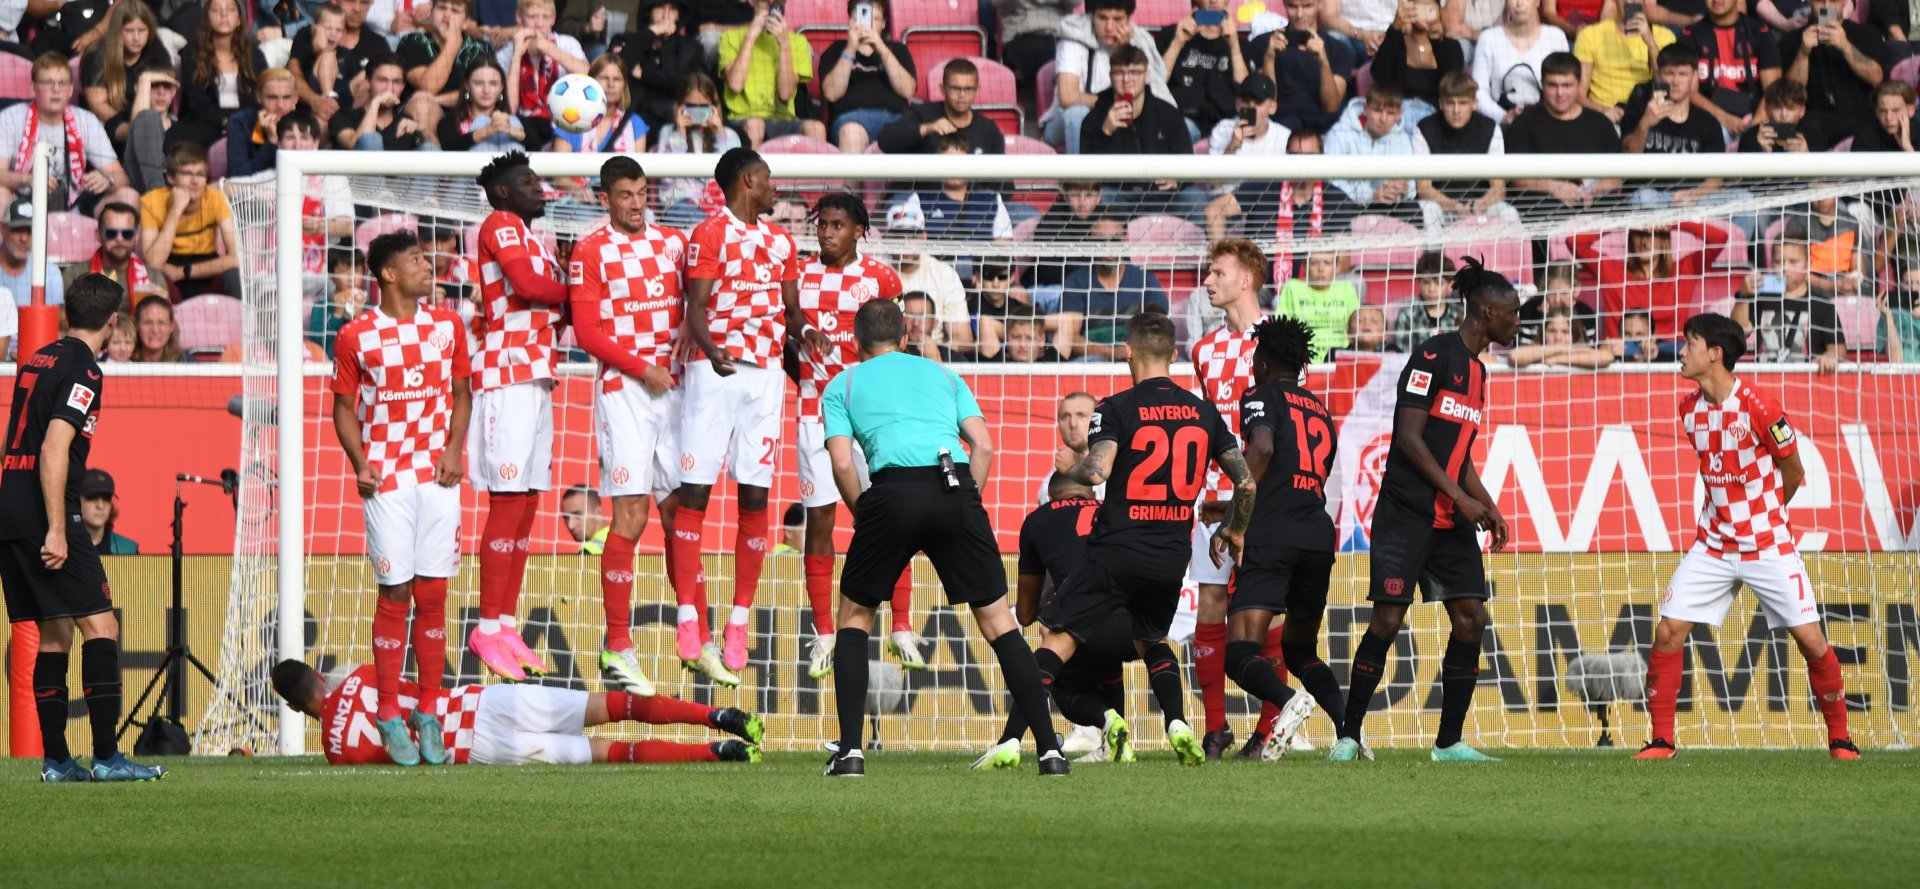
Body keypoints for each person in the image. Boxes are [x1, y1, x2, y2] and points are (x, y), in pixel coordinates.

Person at [820, 298, 1067, 777]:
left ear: (856, 342)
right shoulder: (943, 375)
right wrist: (968, 504)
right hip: (952, 486)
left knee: (855, 616)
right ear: (906, 338)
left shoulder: (842, 383)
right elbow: (985, 445)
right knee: (998, 622)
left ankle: (850, 752)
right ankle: (1050, 751)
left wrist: (865, 513)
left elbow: (843, 463)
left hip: (891, 494)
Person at [1635, 313, 1859, 761]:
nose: (1681, 352)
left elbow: (1793, 473)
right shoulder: (1687, 410)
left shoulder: (1761, 407)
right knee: (1667, 630)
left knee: (1812, 641)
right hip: (1713, 545)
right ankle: (1662, 740)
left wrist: (1765, 514)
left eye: (1690, 344)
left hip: (1768, 543)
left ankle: (1840, 739)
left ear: (1714, 354)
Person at [1043, 312, 1251, 766]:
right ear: (1174, 356)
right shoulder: (1203, 410)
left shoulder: (1115, 407)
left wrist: (1069, 469)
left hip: (1116, 550)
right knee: (1152, 640)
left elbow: (1097, 471)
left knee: (1055, 636)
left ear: (1127, 352)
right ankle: (1177, 721)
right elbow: (1247, 483)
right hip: (1170, 556)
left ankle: (1022, 740)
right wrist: (1236, 527)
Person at [1335, 257, 1520, 763]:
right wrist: (1461, 500)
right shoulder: (1431, 357)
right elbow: (1410, 439)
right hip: (1406, 512)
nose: (1517, 321)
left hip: (1450, 518)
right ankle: (1349, 735)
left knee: (1471, 619)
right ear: (1486, 311)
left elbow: (1457, 456)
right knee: (1387, 622)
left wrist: (1488, 505)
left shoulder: (1480, 373)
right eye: (1512, 312)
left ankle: (1448, 742)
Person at [2, 274, 166, 782]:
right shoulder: (85, 370)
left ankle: (55, 761)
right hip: (45, 506)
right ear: (114, 321)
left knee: (54, 633)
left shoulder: (40, 356)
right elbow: (53, 447)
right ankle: (107, 757)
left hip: (10, 503)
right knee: (101, 626)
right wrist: (57, 526)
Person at [677, 148, 828, 679]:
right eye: (766, 180)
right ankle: (688, 615)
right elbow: (693, 307)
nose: (774, 189)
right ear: (747, 181)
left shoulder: (781, 242)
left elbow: (790, 312)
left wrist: (805, 330)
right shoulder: (710, 235)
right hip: (712, 373)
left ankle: (738, 619)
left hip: (764, 378)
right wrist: (710, 348)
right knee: (695, 490)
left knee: (755, 495)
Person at [329, 231, 472, 766]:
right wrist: (360, 462)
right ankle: (389, 710)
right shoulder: (355, 337)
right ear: (387, 274)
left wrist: (455, 449)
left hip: (438, 477)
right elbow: (344, 408)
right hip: (387, 478)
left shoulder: (447, 324)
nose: (425, 265)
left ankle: (428, 710)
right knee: (396, 592)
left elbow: (462, 393)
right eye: (414, 259)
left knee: (433, 593)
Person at [568, 156, 692, 697]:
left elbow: (698, 303)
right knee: (632, 513)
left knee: (679, 509)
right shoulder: (591, 250)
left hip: (675, 389)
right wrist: (644, 369)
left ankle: (695, 630)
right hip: (627, 392)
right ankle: (618, 644)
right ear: (605, 199)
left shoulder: (673, 244)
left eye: (643, 192)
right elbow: (586, 330)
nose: (637, 203)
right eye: (625, 195)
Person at [791, 193, 920, 681]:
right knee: (820, 521)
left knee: (892, 514)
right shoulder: (799, 277)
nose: (826, 232)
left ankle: (902, 624)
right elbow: (787, 332)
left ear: (859, 230)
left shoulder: (881, 279)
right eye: (822, 224)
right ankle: (824, 634)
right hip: (815, 414)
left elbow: (896, 344)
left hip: (874, 417)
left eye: (838, 224)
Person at [1210, 316, 1348, 760]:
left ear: (1264, 363)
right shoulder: (1320, 409)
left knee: (1239, 654)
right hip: (1315, 534)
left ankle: (1288, 701)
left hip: (1273, 535)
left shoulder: (1260, 394)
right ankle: (1350, 735)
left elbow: (1263, 450)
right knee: (1300, 648)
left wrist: (1234, 519)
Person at [467, 151, 568, 684]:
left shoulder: (537, 241)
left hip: (537, 376)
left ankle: (505, 624)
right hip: (505, 376)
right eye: (528, 181)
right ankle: (485, 625)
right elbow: (528, 289)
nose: (540, 188)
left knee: (527, 504)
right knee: (507, 504)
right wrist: (584, 292)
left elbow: (549, 301)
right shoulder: (500, 224)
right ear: (504, 192)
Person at [272, 659, 764, 765]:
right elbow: (416, 687)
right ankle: (714, 714)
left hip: (477, 749)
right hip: (481, 701)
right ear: (320, 675)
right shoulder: (361, 673)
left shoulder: (335, 752)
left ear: (295, 707)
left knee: (615, 752)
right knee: (615, 705)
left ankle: (715, 752)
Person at [1188, 239, 1285, 759]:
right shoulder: (1202, 350)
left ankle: (1271, 727)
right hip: (1212, 495)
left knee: (1267, 613)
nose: (1208, 281)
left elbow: (1285, 426)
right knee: (1211, 600)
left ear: (1245, 279)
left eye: (1217, 272)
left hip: (1262, 498)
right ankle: (1215, 727)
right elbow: (1208, 427)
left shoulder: (1278, 342)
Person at [976, 471, 1126, 769]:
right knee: (1128, 654)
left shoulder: (1039, 520)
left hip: (1076, 627)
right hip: (1128, 623)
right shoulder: (1117, 512)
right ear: (1092, 493)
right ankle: (1174, 724)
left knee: (1048, 678)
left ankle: (1013, 740)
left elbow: (1025, 614)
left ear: (1052, 497)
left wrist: (1050, 596)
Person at [0, 53, 136, 217]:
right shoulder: (11, 117)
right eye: (48, 83)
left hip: (75, 203)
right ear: (33, 88)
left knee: (127, 196)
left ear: (71, 89)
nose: (56, 89)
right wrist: (27, 180)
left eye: (62, 83)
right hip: (23, 202)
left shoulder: (86, 120)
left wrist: (108, 181)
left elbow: (120, 176)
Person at [1080, 45, 1204, 219]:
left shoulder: (1168, 114)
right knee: (1103, 198)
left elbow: (1187, 164)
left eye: (1134, 72)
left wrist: (1177, 180)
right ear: (1110, 76)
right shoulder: (1093, 120)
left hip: (1162, 194)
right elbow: (1089, 176)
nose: (1127, 79)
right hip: (1119, 194)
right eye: (1119, 73)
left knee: (1194, 198)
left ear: (1146, 76)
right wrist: (1106, 133)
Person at [1043, 0, 1178, 154]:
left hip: (1125, 113)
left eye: (1117, 19)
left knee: (1184, 126)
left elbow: (1156, 91)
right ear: (1092, 16)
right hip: (1068, 120)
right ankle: (1081, 177)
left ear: (1128, 19)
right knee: (1077, 114)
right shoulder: (1074, 36)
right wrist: (1115, 104)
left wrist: (1124, 50)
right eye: (1102, 18)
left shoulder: (1141, 40)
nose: (1109, 27)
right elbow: (1068, 97)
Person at [1566, 219, 1732, 345]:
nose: (1644, 242)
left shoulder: (1684, 270)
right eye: (1639, 234)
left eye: (1652, 234)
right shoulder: (1612, 272)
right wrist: (1622, 223)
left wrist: (1673, 223)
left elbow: (1719, 238)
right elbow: (1573, 241)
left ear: (1663, 238)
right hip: (1622, 358)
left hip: (1670, 357)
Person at [1506, 52, 1625, 212]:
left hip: (1596, 214)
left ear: (1579, 84)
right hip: (1542, 215)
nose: (1560, 93)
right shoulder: (1524, 123)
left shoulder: (1601, 124)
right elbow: (1516, 178)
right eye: (1552, 85)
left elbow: (1618, 175)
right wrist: (1554, 187)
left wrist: (1595, 189)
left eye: (1567, 85)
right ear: (1542, 84)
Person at [1414, 72, 1519, 231]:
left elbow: (1498, 187)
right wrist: (1453, 206)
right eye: (1451, 103)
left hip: (1481, 204)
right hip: (1439, 205)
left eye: (1463, 103)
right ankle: (1434, 257)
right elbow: (1423, 188)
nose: (1456, 110)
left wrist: (1480, 204)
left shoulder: (1490, 129)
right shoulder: (1424, 129)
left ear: (1474, 103)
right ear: (1441, 103)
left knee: (1509, 214)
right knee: (1428, 212)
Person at [139, 143, 244, 300]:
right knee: (153, 276)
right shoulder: (151, 201)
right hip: (168, 266)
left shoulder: (215, 198)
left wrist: (184, 272)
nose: (195, 181)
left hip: (207, 267)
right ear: (171, 178)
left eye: (201, 174)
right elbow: (153, 263)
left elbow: (236, 257)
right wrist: (175, 210)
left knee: (234, 276)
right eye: (187, 174)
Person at [1058, 217, 1169, 360]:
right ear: (1090, 243)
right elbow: (1069, 337)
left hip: (1138, 356)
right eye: (1100, 241)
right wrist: (1110, 353)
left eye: (1115, 240)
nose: (1108, 248)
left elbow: (1161, 329)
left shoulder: (1145, 281)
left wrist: (1132, 351)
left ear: (1125, 240)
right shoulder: (1076, 283)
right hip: (1091, 359)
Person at [1785, 0, 1894, 145]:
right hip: (1815, 123)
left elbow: (1877, 78)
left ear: (1844, 2)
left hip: (1861, 118)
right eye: (1820, 1)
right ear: (1809, 2)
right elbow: (1791, 92)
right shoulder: (1793, 39)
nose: (1827, 6)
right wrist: (1803, 53)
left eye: (1834, 0)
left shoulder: (1867, 33)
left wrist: (1845, 46)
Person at [718, 0, 826, 147]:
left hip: (783, 119)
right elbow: (735, 85)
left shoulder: (798, 42)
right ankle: (752, 170)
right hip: (743, 118)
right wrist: (750, 37)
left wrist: (784, 44)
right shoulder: (730, 38)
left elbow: (785, 94)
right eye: (765, 2)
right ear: (751, 2)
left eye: (776, 3)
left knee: (816, 128)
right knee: (756, 126)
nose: (770, 6)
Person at [820, 0, 916, 154]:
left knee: (912, 134)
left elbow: (907, 91)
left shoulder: (898, 50)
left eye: (875, 19)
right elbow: (831, 93)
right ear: (851, 20)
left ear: (884, 23)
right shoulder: (836, 50)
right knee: (852, 134)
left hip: (896, 119)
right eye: (862, 17)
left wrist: (881, 48)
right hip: (851, 120)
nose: (868, 24)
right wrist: (850, 49)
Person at [651, 74, 743, 230]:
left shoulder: (729, 136)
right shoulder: (668, 132)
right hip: (681, 204)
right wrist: (679, 135)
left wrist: (719, 135)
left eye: (704, 107)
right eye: (691, 106)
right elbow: (668, 178)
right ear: (680, 106)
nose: (698, 112)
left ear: (714, 107)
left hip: (719, 206)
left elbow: (732, 177)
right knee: (688, 212)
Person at [173, 0, 267, 151]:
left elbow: (261, 95)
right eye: (216, 10)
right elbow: (197, 101)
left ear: (239, 20)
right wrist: (225, 122)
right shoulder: (191, 54)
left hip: (247, 122)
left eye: (230, 10)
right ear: (207, 19)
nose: (223, 15)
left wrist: (239, 123)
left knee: (264, 135)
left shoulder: (255, 55)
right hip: (205, 123)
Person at [1677, 0, 1780, 137]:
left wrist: (1753, 131)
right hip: (1706, 120)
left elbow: (1773, 90)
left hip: (1754, 118)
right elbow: (1688, 91)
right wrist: (1725, 119)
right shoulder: (1691, 35)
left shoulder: (1759, 33)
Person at [499, 0, 590, 149]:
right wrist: (516, 55)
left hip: (563, 118)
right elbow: (511, 107)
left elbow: (589, 74)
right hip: (526, 123)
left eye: (545, 17)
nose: (539, 24)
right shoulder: (506, 52)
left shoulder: (567, 43)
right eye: (532, 17)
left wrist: (548, 48)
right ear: (518, 17)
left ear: (553, 18)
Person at [79, 0, 169, 149]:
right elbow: (99, 105)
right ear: (117, 30)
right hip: (107, 124)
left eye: (142, 30)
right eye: (129, 30)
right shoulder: (97, 56)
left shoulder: (157, 52)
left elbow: (163, 95)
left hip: (147, 120)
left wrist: (143, 128)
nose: (136, 37)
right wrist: (130, 130)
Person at [1327, 82, 1422, 223]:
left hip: (1388, 204)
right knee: (1338, 205)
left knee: (1414, 209)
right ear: (1366, 109)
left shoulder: (1403, 140)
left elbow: (1412, 188)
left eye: (1390, 113)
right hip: (1350, 204)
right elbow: (1332, 182)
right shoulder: (1339, 133)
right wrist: (1370, 194)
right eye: (1377, 111)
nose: (1383, 119)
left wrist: (1402, 189)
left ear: (1400, 114)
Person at [1254, 0, 1354, 132]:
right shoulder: (1263, 43)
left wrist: (1323, 62)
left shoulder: (1339, 49)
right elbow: (1266, 105)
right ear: (1284, 4)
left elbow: (1331, 107)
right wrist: (1269, 58)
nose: (1299, 14)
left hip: (1324, 128)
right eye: (1293, 6)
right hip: (1279, 126)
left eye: (1307, 6)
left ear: (1320, 4)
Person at [876, 58, 1007, 156]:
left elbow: (1003, 181)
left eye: (968, 89)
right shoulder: (922, 113)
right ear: (942, 89)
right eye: (955, 89)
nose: (962, 95)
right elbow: (885, 140)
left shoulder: (989, 130)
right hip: (921, 192)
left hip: (973, 193)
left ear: (977, 90)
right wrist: (927, 129)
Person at [1157, 0, 1251, 137]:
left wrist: (1234, 46)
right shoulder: (1171, 35)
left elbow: (1248, 91)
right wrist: (1178, 43)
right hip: (1180, 118)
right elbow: (1155, 82)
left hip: (1226, 123)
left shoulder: (1241, 45)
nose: (1213, 1)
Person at [1574, 0, 1677, 123]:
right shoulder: (1590, 35)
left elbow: (1667, 87)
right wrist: (1604, 110)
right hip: (1606, 118)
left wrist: (1649, 41)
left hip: (1649, 116)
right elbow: (1578, 94)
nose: (1629, 1)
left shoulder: (1665, 36)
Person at [1369, 0, 1467, 130]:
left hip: (1437, 122)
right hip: (1397, 119)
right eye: (1418, 5)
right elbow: (1380, 76)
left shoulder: (1451, 47)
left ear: (1438, 11)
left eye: (1429, 7)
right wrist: (1395, 27)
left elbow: (1453, 85)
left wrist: (1436, 40)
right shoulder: (1395, 42)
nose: (1423, 10)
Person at [610, 0, 704, 134]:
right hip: (634, 115)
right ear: (648, 11)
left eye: (672, 9)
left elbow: (691, 86)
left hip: (679, 116)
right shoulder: (625, 41)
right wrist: (653, 31)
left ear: (678, 15)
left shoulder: (690, 47)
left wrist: (643, 74)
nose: (666, 15)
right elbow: (615, 68)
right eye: (660, 8)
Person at [1472, 0, 1570, 123]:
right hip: (1502, 125)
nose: (1519, 3)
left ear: (1537, 2)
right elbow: (1477, 90)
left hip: (1547, 124)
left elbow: (1566, 86)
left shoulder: (1556, 37)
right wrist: (1502, 116)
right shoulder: (1488, 38)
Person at [331, 54, 445, 151]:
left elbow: (437, 158)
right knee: (372, 139)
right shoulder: (344, 117)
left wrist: (423, 129)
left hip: (401, 177)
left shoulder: (407, 121)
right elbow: (353, 145)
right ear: (368, 81)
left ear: (403, 86)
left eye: (396, 82)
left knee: (429, 147)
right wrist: (375, 104)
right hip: (362, 177)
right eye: (382, 80)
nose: (390, 88)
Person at [399, 0, 499, 110]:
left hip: (465, 114)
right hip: (419, 115)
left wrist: (437, 100)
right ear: (432, 13)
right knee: (423, 108)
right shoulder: (413, 41)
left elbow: (483, 92)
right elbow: (428, 87)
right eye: (442, 8)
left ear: (466, 22)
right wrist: (452, 45)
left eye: (455, 11)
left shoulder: (481, 48)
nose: (447, 14)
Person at [64, 202, 165, 305]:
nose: (119, 239)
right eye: (111, 233)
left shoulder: (153, 277)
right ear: (98, 235)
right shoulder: (74, 275)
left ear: (137, 236)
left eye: (127, 234)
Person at [553, 54, 648, 158]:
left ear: (624, 85)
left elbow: (638, 171)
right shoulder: (569, 120)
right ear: (591, 82)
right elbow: (561, 172)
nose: (611, 84)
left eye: (617, 79)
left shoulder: (635, 123)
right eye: (604, 78)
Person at [1274, 251, 1360, 361]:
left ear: (1337, 267)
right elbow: (1282, 328)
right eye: (1314, 263)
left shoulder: (1346, 289)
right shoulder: (1293, 288)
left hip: (1339, 358)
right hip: (1302, 359)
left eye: (1327, 263)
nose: (1321, 269)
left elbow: (1355, 328)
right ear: (1305, 266)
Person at [438, 60, 530, 152]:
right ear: (467, 85)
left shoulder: (517, 121)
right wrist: (484, 132)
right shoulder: (450, 121)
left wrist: (513, 131)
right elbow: (447, 149)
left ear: (501, 87)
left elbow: (537, 147)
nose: (486, 90)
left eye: (493, 83)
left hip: (514, 165)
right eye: (478, 83)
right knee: (481, 121)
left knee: (513, 121)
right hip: (472, 166)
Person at [229, 69, 304, 175]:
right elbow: (239, 175)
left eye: (286, 97)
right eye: (272, 97)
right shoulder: (240, 123)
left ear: (296, 98)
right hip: (253, 190)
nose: (280, 105)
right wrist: (272, 141)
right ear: (259, 97)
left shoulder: (306, 123)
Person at [1391, 251, 1465, 352]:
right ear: (1418, 282)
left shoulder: (1461, 314)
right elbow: (1402, 357)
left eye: (1438, 283)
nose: (1431, 289)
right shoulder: (1407, 315)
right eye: (1426, 282)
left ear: (1450, 284)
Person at [1516, 263, 1599, 344]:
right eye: (1552, 293)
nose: (1557, 300)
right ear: (1544, 289)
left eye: (1564, 293)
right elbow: (1523, 352)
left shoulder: (1586, 314)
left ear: (1576, 291)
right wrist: (1544, 320)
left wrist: (1572, 318)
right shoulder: (1528, 311)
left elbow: (1588, 352)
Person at [1736, 78, 1826, 152]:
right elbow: (1742, 172)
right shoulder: (1751, 138)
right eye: (1777, 107)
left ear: (1802, 111)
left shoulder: (1813, 138)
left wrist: (1806, 156)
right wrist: (1762, 153)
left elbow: (1824, 172)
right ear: (1766, 110)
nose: (1784, 114)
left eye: (1790, 108)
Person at [0, 201, 61, 310]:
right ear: (2, 229)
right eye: (18, 229)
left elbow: (54, 319)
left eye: (30, 231)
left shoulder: (49, 273)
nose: (24, 238)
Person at [1506, 307, 1617, 367]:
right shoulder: (1536, 350)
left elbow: (1607, 357)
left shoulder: (1579, 352)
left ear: (1575, 334)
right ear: (1543, 333)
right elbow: (1514, 357)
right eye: (1552, 331)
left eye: (1565, 332)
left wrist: (1558, 359)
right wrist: (1562, 349)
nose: (1558, 337)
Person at [77, 469, 138, 555]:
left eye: (106, 498)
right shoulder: (58, 549)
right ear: (76, 501)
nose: (100, 506)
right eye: (92, 497)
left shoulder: (127, 550)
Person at [130, 295, 185, 363]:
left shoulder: (185, 361)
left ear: (171, 326)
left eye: (161, 323)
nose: (155, 330)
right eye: (148, 323)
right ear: (137, 325)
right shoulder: (122, 359)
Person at [560, 485, 608, 554]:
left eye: (578, 515)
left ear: (598, 513)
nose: (571, 525)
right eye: (566, 518)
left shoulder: (588, 551)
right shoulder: (617, 539)